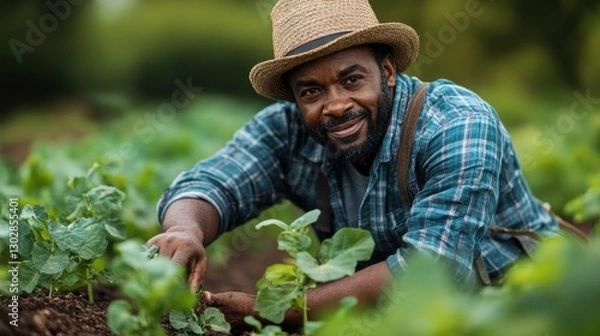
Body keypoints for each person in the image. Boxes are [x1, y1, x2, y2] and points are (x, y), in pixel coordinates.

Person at [146, 0, 558, 326]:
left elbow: (433, 269)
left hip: (523, 308)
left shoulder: (456, 124)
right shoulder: (286, 130)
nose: (336, 105)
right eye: (311, 92)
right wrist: (186, 230)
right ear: (295, 98)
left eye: (352, 80)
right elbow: (215, 181)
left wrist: (279, 311)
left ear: (388, 71)